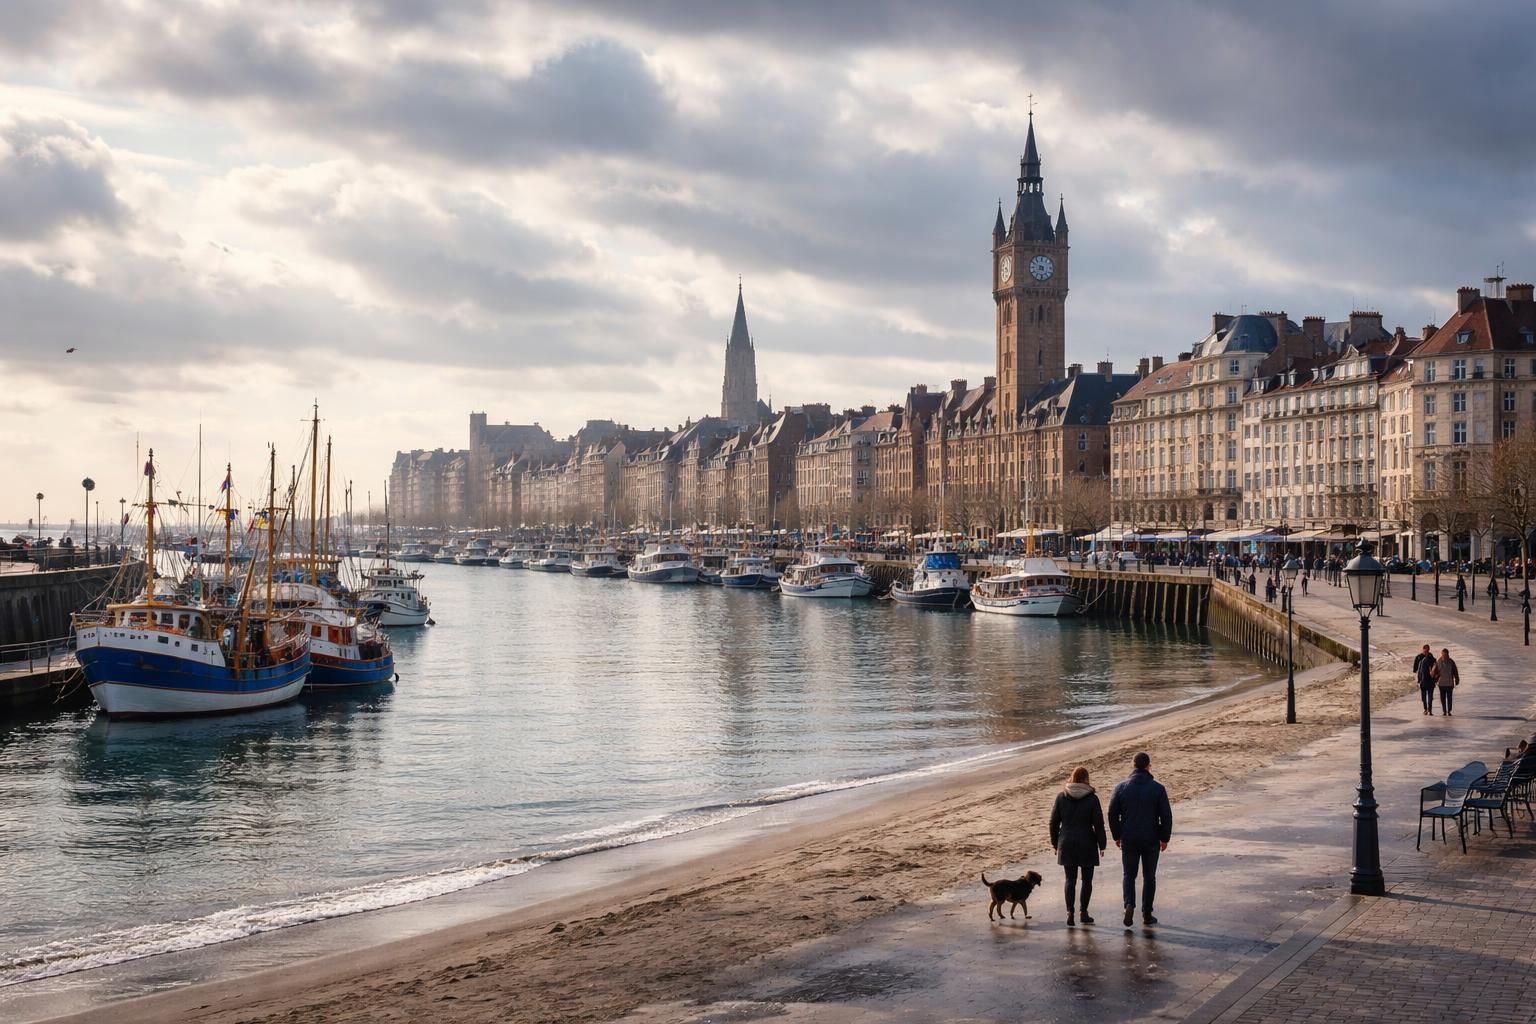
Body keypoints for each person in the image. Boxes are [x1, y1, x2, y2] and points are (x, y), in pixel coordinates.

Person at [1107, 751, 1173, 928]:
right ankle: (1147, 913)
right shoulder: (1158, 788)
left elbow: (1112, 814)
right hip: (1151, 838)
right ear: (1148, 766)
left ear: (1133, 765)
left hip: (1129, 837)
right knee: (1149, 877)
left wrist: (1117, 835)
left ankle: (1129, 904)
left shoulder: (1121, 787)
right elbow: (1166, 816)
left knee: (1129, 874)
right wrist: (1164, 837)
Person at [1050, 766, 1107, 926]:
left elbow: (1053, 822)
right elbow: (1099, 824)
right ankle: (1083, 912)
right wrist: (1102, 844)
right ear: (1086, 779)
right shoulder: (1092, 799)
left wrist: (1055, 843)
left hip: (1066, 842)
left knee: (1070, 879)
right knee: (1087, 880)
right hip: (1087, 842)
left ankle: (1070, 912)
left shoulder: (1061, 797)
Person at [1413, 644, 1437, 716]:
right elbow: (1415, 669)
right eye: (1425, 651)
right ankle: (1425, 709)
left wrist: (1435, 679)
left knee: (1430, 697)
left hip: (1430, 681)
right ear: (1423, 649)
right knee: (1424, 697)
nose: (1426, 652)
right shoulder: (1418, 658)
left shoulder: (1432, 658)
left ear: (1429, 650)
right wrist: (1418, 678)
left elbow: (1436, 668)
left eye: (1427, 651)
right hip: (1423, 681)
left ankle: (1429, 710)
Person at [1435, 647, 1460, 716]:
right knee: (1442, 698)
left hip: (1449, 683)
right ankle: (1444, 711)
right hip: (1441, 684)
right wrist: (1435, 680)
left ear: (1448, 654)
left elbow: (1455, 671)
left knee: (1449, 698)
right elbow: (1435, 672)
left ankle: (1449, 711)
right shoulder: (1438, 662)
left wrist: (1457, 679)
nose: (1443, 656)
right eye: (1442, 654)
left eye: (1445, 654)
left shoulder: (1451, 662)